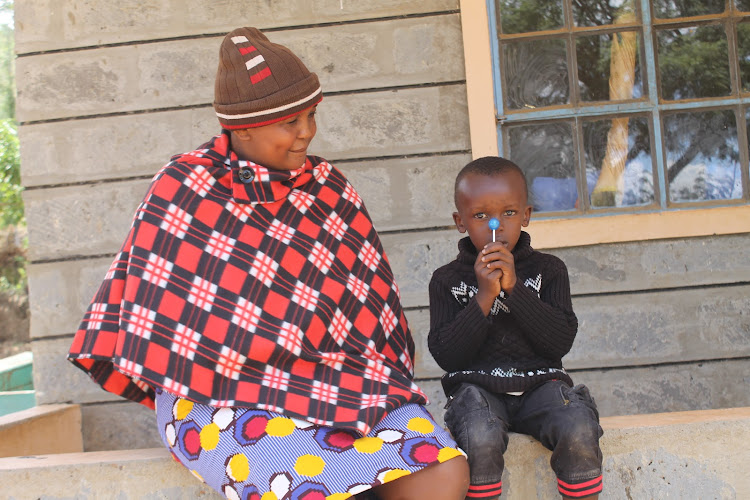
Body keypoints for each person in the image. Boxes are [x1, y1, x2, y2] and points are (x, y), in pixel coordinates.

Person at [68, 26, 469, 500]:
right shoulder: (184, 187)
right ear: (244, 127)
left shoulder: (328, 187)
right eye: (290, 122)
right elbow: (151, 313)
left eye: (312, 115)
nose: (308, 132)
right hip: (214, 393)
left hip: (337, 377)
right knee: (312, 490)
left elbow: (367, 304)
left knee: (441, 473)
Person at [427, 156, 603, 500]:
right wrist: (483, 296)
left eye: (508, 213)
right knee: (477, 434)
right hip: (480, 392)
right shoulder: (446, 280)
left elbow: (558, 342)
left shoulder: (549, 270)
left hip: (541, 388)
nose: (497, 225)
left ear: (526, 215)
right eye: (480, 216)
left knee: (577, 424)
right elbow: (448, 355)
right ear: (459, 221)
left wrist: (515, 290)